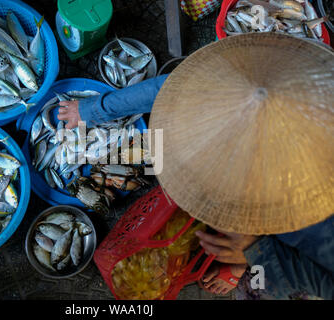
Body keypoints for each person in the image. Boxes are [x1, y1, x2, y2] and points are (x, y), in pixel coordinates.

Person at [56, 74, 334, 300]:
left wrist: (251, 256)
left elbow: (170, 88)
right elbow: (177, 87)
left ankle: (243, 267)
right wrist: (92, 110)